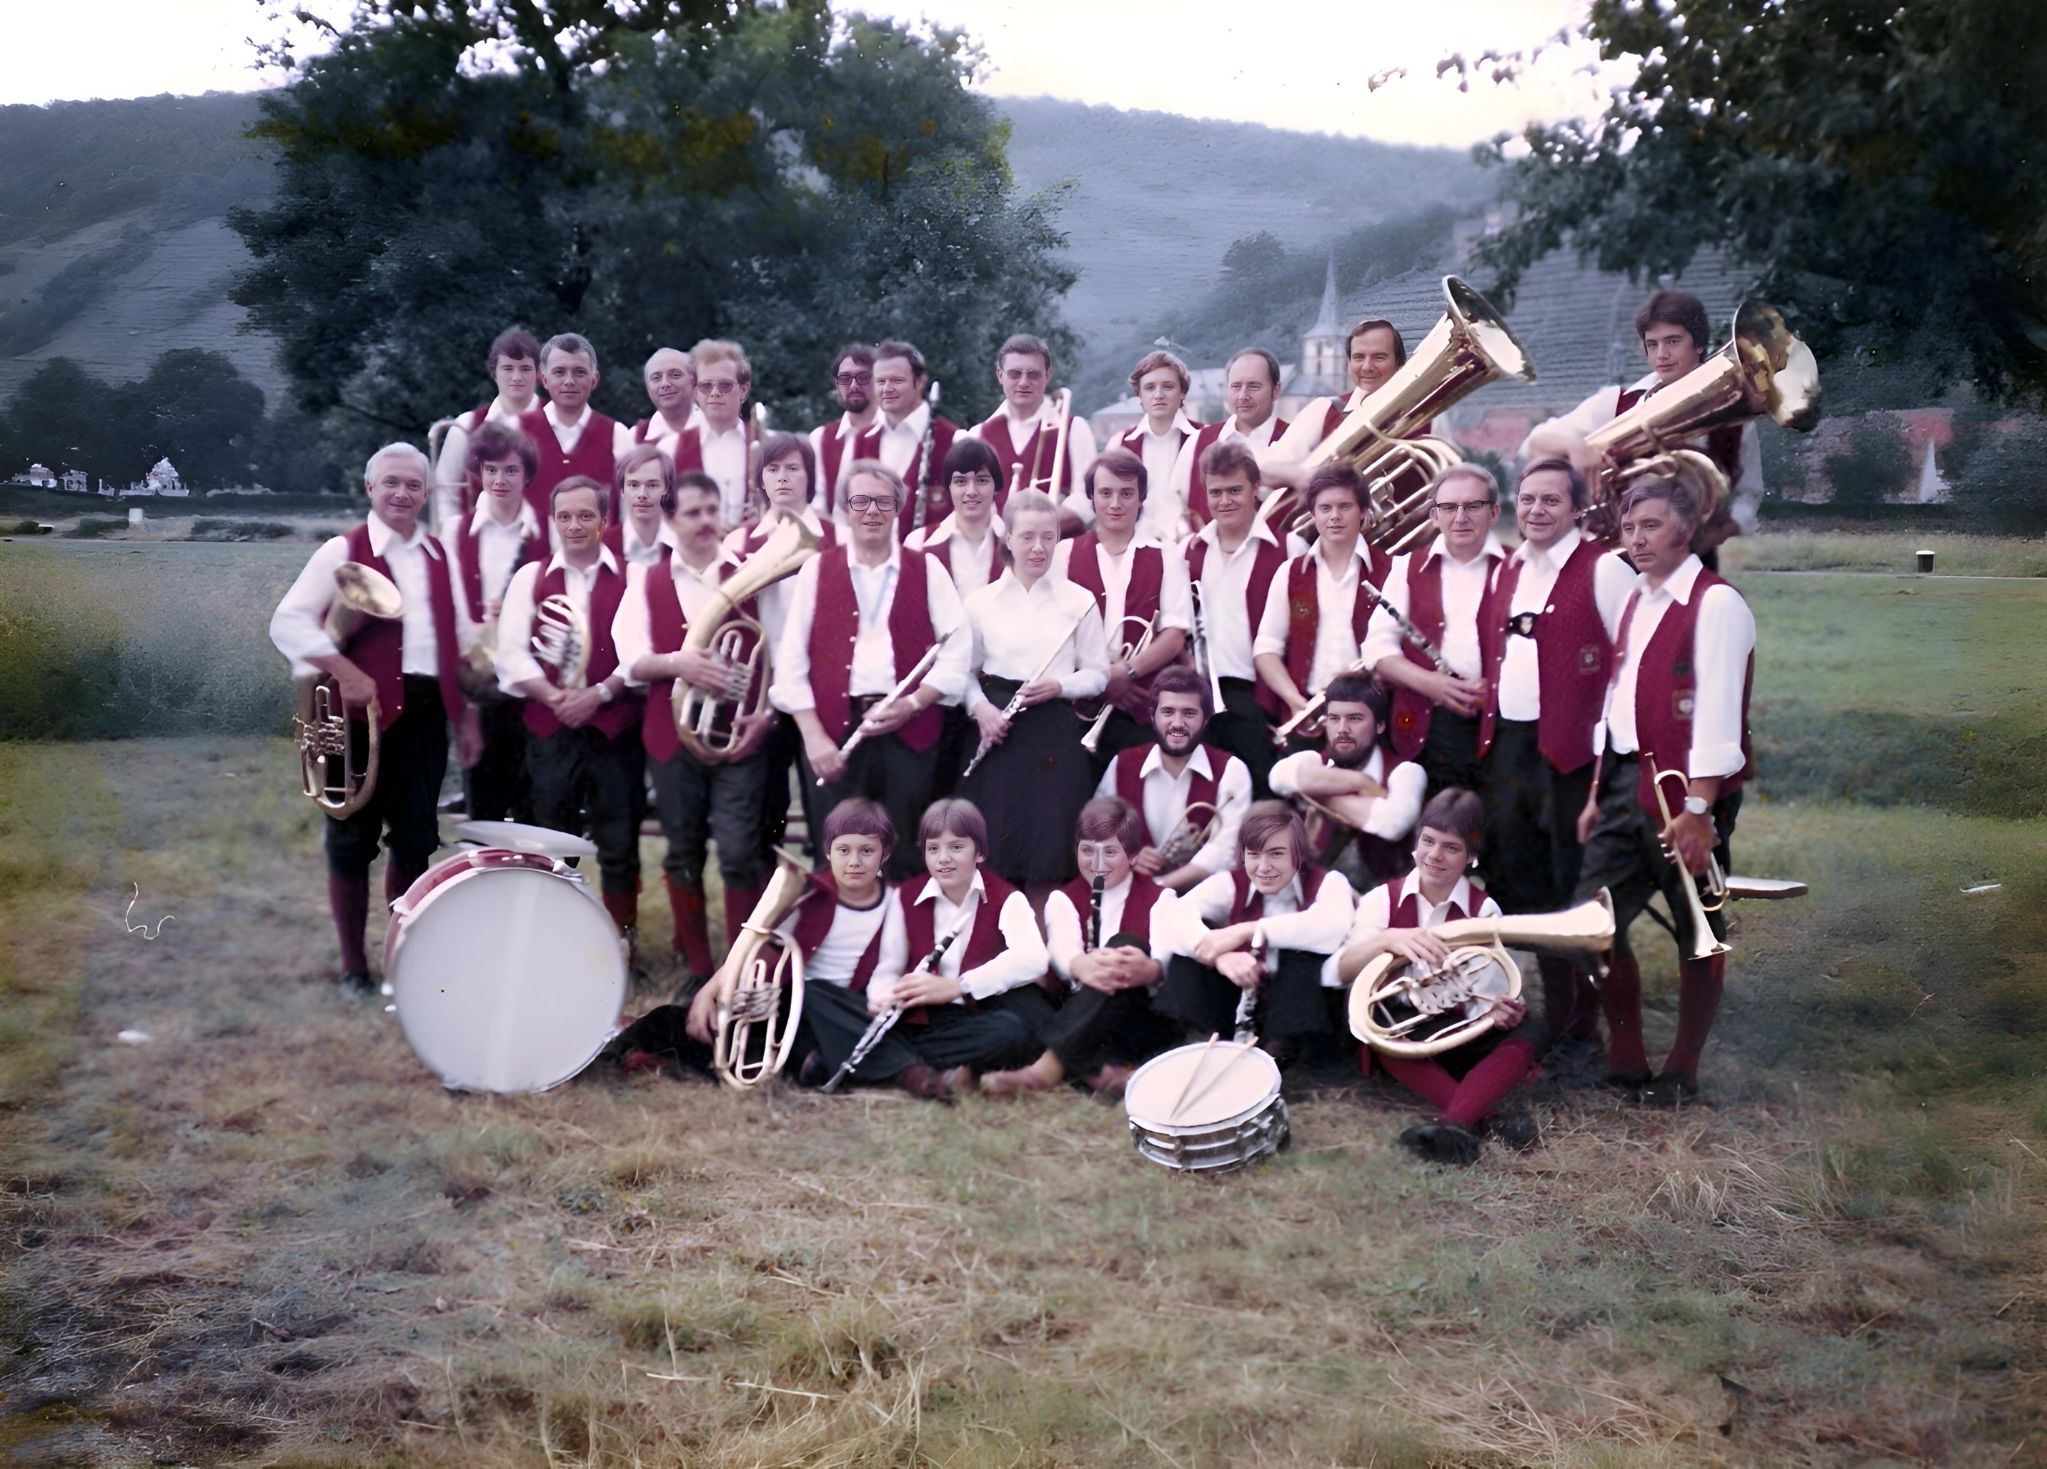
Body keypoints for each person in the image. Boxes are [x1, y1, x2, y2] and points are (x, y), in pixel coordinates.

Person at [1571, 477, 1755, 1104]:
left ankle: (1683, 1067)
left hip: (1689, 793)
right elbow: (1619, 701)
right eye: (1628, 528)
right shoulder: (1636, 599)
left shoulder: (1717, 603)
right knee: (1592, 921)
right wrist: (1599, 792)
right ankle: (1625, 1053)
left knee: (1695, 924)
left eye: (1650, 526)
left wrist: (1701, 809)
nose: (1636, 539)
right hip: (1624, 782)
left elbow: (1718, 712)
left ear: (1687, 529)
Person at [269, 443, 464, 993]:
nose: (403, 494)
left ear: (425, 494)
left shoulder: (440, 555)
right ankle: (354, 967)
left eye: (414, 486)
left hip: (421, 714)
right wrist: (342, 670)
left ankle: (402, 961)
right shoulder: (340, 550)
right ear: (371, 488)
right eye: (392, 483)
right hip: (352, 714)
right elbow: (286, 623)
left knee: (415, 842)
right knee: (350, 840)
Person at [1477, 459, 1634, 1041]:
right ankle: (1550, 1009)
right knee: (1521, 878)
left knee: (1573, 886)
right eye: (1528, 499)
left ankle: (1585, 1027)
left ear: (1577, 509)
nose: (1536, 511)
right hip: (1510, 747)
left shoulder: (1604, 568)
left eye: (1551, 501)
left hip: (1573, 754)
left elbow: (1629, 661)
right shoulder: (1510, 566)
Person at [771, 461, 971, 878]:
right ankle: (843, 942)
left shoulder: (928, 569)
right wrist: (812, 737)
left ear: (898, 507)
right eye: (860, 501)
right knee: (840, 855)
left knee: (907, 854)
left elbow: (957, 652)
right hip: (835, 734)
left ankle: (905, 943)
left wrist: (915, 702)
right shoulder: (816, 569)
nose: (871, 511)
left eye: (883, 501)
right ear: (845, 507)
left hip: (910, 733)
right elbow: (790, 662)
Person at [614, 469, 774, 981]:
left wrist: (764, 714)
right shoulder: (647, 580)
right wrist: (678, 664)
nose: (707, 522)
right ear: (668, 520)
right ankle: (699, 971)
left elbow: (784, 649)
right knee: (682, 851)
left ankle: (740, 968)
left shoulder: (754, 571)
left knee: (738, 851)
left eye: (712, 510)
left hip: (738, 737)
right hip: (672, 738)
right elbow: (630, 659)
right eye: (693, 513)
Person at [618, 797, 897, 1081]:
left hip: (838, 1016)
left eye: (866, 851)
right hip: (788, 1007)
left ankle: (691, 1063)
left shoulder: (897, 906)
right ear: (827, 852)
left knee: (790, 1047)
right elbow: (754, 948)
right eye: (843, 850)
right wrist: (708, 992)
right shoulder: (812, 898)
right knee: (673, 1019)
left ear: (884, 854)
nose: (854, 861)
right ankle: (620, 1053)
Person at [799, 799, 1046, 1100]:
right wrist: (883, 998)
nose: (944, 859)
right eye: (933, 849)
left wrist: (957, 986)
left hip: (966, 1020)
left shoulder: (1007, 898)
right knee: (816, 992)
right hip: (912, 1018)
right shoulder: (906, 896)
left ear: (979, 851)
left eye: (956, 847)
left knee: (1011, 1031)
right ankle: (916, 1074)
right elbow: (888, 967)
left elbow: (1034, 958)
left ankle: (864, 1061)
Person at [1343, 788, 1540, 1165]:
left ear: (1472, 856)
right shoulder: (1381, 900)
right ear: (1415, 843)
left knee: (1530, 1031)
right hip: (1405, 1029)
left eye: (1451, 847)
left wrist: (1498, 1013)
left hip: (1461, 1030)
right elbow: (1346, 968)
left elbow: (1490, 994)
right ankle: (1486, 1117)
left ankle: (1453, 1124)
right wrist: (1389, 939)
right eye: (1428, 841)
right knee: (1388, 1037)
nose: (1434, 855)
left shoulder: (1486, 912)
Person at [496, 476, 644, 942]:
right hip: (551, 725)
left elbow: (642, 652)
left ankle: (621, 945)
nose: (575, 525)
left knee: (619, 841)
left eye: (585, 516)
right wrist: (554, 696)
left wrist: (599, 695)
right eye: (565, 517)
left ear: (604, 520)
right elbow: (511, 654)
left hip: (613, 726)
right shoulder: (531, 577)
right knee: (554, 839)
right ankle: (556, 939)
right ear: (552, 521)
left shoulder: (633, 575)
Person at [1520, 289, 1762, 559]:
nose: (1662, 354)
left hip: (1692, 558)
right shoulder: (1615, 403)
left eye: (1673, 341)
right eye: (1652, 344)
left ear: (1699, 344)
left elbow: (1748, 497)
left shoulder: (1733, 417)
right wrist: (1575, 446)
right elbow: (1533, 443)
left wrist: (1716, 534)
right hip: (1613, 559)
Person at [957, 488, 1110, 891]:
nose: (1038, 548)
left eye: (1048, 537)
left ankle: (1047, 945)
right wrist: (982, 711)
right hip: (997, 730)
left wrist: (1061, 685)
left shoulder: (1080, 601)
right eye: (1027, 537)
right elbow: (964, 673)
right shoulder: (980, 603)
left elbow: (1098, 674)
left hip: (1054, 731)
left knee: (1049, 853)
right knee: (997, 850)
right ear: (1008, 538)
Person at [981, 797, 1176, 1098]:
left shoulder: (1161, 898)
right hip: (1077, 1009)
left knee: (1124, 946)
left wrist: (1150, 969)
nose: (1097, 864)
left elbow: (1164, 956)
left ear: (1134, 855)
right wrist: (1079, 965)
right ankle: (1100, 1072)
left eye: (1110, 852)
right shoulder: (1064, 898)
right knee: (1013, 992)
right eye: (1088, 851)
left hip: (1133, 1014)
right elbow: (1062, 952)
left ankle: (1048, 1068)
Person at [1151, 800, 1354, 1066]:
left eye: (1277, 854)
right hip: (1238, 994)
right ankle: (1200, 1040)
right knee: (1189, 952)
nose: (1263, 867)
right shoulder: (1230, 883)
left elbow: (1332, 926)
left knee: (1300, 952)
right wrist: (1218, 955)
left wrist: (1250, 930)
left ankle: (1281, 1050)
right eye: (1254, 854)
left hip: (1295, 1006)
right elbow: (1172, 917)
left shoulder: (1329, 882)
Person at [1366, 463, 1506, 796]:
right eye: (1449, 507)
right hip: (1429, 726)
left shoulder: (1518, 567)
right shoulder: (1406, 567)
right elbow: (1377, 650)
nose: (1460, 517)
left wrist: (1498, 689)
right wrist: (1434, 685)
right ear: (1434, 515)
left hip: (1502, 725)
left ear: (1494, 512)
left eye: (1473, 506)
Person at [1051, 449, 1192, 763]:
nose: (1115, 504)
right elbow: (1054, 634)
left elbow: (1174, 635)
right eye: (1105, 493)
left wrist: (1126, 672)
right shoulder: (1063, 554)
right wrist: (1102, 680)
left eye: (1127, 493)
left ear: (1141, 497)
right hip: (1079, 707)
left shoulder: (1166, 554)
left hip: (1142, 706)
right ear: (1091, 497)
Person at [445, 422, 543, 824]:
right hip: (481, 691)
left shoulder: (550, 531)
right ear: (478, 474)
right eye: (490, 470)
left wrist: (523, 615)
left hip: (533, 688)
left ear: (527, 475)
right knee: (482, 814)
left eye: (511, 470)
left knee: (536, 810)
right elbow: (449, 607)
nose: (500, 480)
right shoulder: (455, 531)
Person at [1254, 463, 1389, 746]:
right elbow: (1266, 649)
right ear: (1312, 514)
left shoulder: (1392, 571)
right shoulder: (1289, 573)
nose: (1335, 517)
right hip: (1309, 716)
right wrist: (1296, 702)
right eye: (1325, 508)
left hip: (1370, 717)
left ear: (1363, 511)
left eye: (1345, 507)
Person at [1183, 440, 1290, 796]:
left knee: (1264, 804)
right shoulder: (1188, 552)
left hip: (1260, 700)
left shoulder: (1290, 550)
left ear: (1255, 488)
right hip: (1203, 700)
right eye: (1215, 492)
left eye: (1235, 490)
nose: (1225, 501)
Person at [1094, 668, 1251, 893]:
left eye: (1189, 713)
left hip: (1202, 900)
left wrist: (1159, 888)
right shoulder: (1122, 764)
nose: (1177, 723)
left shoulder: (1232, 770)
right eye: (1168, 712)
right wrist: (1129, 857)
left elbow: (1225, 852)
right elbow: (1097, 834)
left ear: (1206, 719)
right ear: (1152, 715)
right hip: (1130, 896)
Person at [1268, 674, 1426, 890]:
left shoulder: (1407, 771)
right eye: (1334, 719)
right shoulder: (1315, 760)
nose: (1342, 729)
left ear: (1379, 725)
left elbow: (1393, 824)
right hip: (1314, 898)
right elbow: (1278, 777)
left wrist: (1314, 793)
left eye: (1354, 718)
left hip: (1378, 903)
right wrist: (1359, 782)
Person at [1263, 317, 1411, 491]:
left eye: (1379, 357)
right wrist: (1303, 477)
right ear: (1349, 364)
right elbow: (1266, 469)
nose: (1366, 366)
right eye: (1358, 357)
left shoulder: (1426, 416)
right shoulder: (1324, 409)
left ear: (1400, 365)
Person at [516, 332, 635, 537]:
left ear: (594, 379)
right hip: (529, 562)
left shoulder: (618, 435)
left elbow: (631, 513)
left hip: (596, 561)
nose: (569, 381)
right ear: (544, 379)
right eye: (559, 372)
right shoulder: (517, 431)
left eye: (579, 372)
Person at [969, 332, 1096, 521]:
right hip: (996, 547)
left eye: (1033, 374)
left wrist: (1037, 526)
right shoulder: (978, 434)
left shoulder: (1074, 428)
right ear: (999, 376)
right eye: (1014, 374)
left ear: (1048, 376)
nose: (1023, 382)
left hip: (1058, 546)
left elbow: (1087, 498)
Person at [1169, 347, 1290, 535]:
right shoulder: (1197, 442)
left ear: (1276, 390)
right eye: (1236, 386)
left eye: (1253, 386)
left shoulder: (1295, 439)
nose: (1243, 396)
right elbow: (1171, 506)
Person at [432, 326, 542, 529]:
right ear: (494, 372)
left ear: (538, 373)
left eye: (525, 369)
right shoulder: (466, 426)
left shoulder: (558, 422)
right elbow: (445, 492)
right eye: (508, 369)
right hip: (480, 547)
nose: (516, 377)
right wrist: (455, 538)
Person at [852, 339, 959, 541]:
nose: (887, 389)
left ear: (919, 382)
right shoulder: (861, 440)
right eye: (880, 381)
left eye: (897, 380)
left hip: (933, 563)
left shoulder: (953, 439)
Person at [1108, 349, 1202, 544]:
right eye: (1150, 388)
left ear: (1182, 391)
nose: (1158, 395)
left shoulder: (1206, 438)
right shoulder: (1120, 443)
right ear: (1139, 395)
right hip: (1136, 548)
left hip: (1194, 547)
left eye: (1168, 386)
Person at [907, 437, 1005, 599]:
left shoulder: (1016, 543)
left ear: (996, 486)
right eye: (961, 481)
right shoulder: (918, 543)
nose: (971, 491)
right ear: (948, 487)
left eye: (982, 480)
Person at [677, 338, 757, 528]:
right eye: (706, 386)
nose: (714, 393)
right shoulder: (671, 446)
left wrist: (766, 519)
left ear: (744, 390)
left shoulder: (764, 443)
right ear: (695, 392)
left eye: (725, 385)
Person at [809, 344, 876, 509]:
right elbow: (818, 503)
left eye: (863, 377)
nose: (853, 386)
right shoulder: (820, 438)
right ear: (837, 384)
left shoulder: (892, 434)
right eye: (845, 378)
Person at [608, 444, 680, 567]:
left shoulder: (685, 543)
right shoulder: (602, 546)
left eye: (652, 485)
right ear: (622, 490)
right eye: (633, 485)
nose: (642, 494)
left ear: (666, 488)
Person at [632, 346, 701, 463]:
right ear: (648, 388)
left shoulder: (718, 430)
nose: (665, 384)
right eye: (656, 378)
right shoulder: (632, 439)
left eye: (675, 375)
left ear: (693, 380)